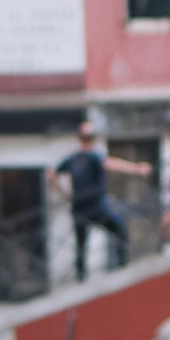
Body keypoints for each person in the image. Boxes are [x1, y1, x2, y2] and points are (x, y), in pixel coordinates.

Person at [57, 115, 135, 277]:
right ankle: (121, 267)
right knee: (119, 230)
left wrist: (65, 194)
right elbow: (111, 164)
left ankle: (81, 277)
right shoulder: (93, 156)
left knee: (81, 244)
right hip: (95, 206)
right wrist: (136, 168)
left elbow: (51, 174)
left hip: (79, 207)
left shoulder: (73, 159)